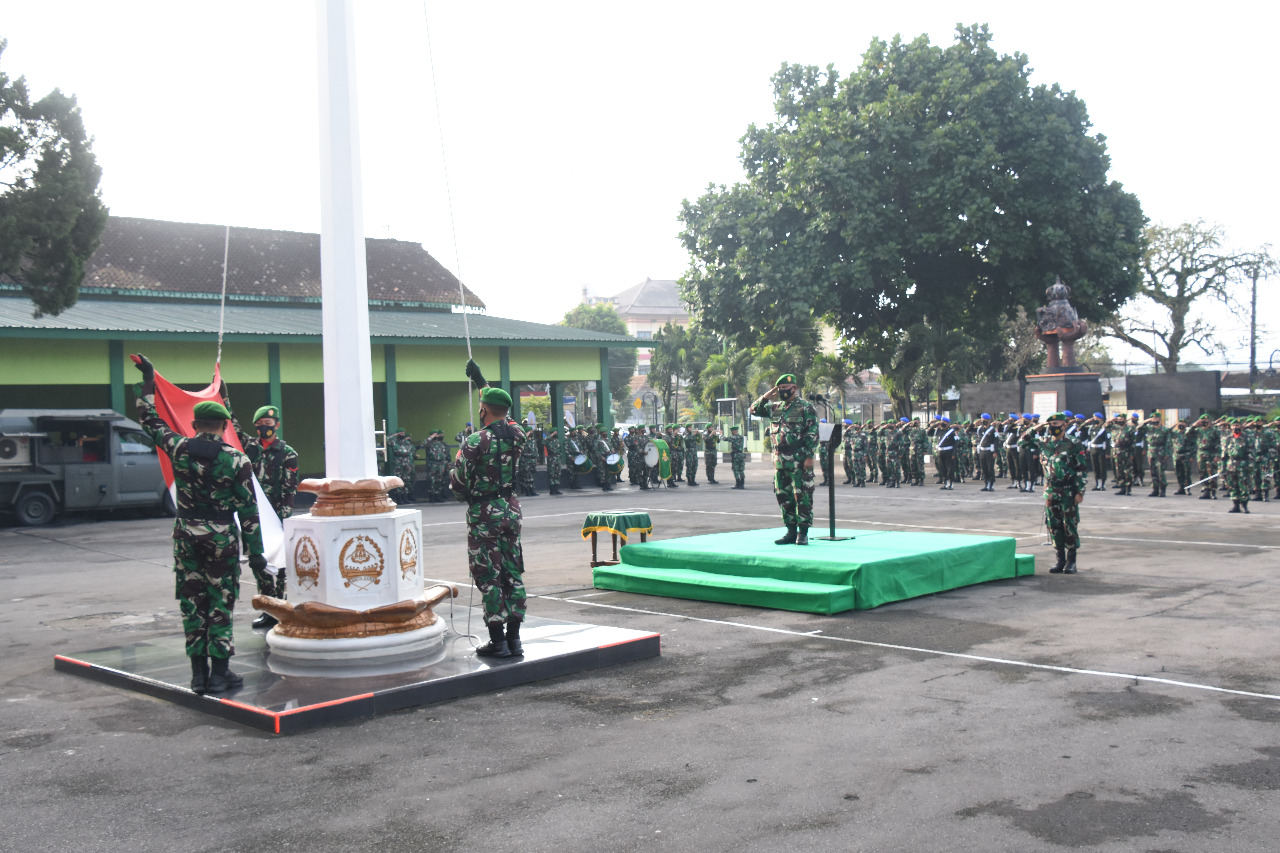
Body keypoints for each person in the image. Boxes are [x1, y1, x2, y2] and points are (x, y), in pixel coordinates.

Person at [134, 355, 264, 694]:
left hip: (186, 537)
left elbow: (149, 420)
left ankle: (197, 675)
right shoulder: (238, 460)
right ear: (223, 427)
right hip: (221, 539)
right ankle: (220, 674)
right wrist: (258, 555)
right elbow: (248, 512)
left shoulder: (178, 448)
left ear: (194, 425)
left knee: (193, 603)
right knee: (221, 602)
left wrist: (148, 382)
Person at [454, 359, 528, 657]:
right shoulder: (517, 435)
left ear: (482, 410)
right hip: (511, 510)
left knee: (489, 576)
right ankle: (515, 639)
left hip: (484, 513)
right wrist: (481, 381)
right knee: (513, 572)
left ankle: (497, 641)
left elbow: (457, 485)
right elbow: (502, 415)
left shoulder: (474, 441)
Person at [222, 389, 298, 630]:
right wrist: (224, 398)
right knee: (260, 563)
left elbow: (289, 489)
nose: (264, 427)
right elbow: (230, 424)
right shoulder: (249, 447)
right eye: (260, 424)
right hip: (253, 516)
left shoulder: (287, 454)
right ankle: (268, 609)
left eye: (268, 423)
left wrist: (284, 519)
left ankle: (281, 605)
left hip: (277, 516)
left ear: (277, 425)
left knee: (283, 565)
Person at [750, 374, 818, 545]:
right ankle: (790, 531)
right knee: (783, 496)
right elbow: (753, 410)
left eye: (785, 389)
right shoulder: (775, 407)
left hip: (799, 459)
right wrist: (766, 396)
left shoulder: (805, 407)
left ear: (794, 388)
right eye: (779, 389)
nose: (782, 392)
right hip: (780, 460)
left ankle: (803, 533)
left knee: (802, 496)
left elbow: (812, 433)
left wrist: (810, 457)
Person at [1040, 412, 1088, 574]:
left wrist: (1080, 491)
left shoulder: (1073, 443)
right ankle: (1060, 560)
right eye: (1051, 425)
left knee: (1070, 525)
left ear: (1064, 425)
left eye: (1056, 424)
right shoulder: (1046, 443)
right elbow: (1022, 441)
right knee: (1054, 526)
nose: (1053, 428)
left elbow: (1081, 469)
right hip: (1051, 491)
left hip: (1068, 491)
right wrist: (1038, 427)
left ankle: (1071, 561)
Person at [422, 429, 451, 502]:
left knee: (439, 480)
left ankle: (437, 496)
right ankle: (432, 497)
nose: (437, 436)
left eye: (437, 434)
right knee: (432, 480)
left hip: (441, 464)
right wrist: (431, 437)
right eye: (435, 434)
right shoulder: (429, 443)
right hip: (432, 464)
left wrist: (446, 464)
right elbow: (424, 444)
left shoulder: (441, 444)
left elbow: (445, 454)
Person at [728, 424, 747, 488]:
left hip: (736, 455)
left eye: (732, 431)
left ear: (734, 431)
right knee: (741, 470)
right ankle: (742, 484)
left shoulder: (734, 437)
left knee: (735, 470)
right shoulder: (741, 437)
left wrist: (720, 434)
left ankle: (738, 483)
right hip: (741, 455)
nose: (732, 432)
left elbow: (725, 439)